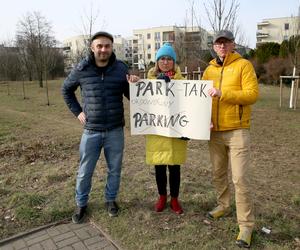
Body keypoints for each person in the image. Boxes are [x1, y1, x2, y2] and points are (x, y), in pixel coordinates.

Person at [62, 31, 139, 223]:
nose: (103, 49)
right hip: (91, 131)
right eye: (99, 46)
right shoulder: (82, 68)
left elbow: (132, 97)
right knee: (85, 170)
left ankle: (110, 200)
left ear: (112, 47)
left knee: (115, 169)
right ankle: (81, 204)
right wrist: (78, 112)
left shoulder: (122, 68)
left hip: (115, 130)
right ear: (92, 48)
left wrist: (134, 84)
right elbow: (66, 90)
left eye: (107, 46)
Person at [202, 30, 259, 248]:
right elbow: (200, 100)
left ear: (233, 44)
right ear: (214, 46)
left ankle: (246, 225)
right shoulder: (208, 69)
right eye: (219, 43)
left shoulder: (244, 65)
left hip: (237, 131)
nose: (222, 46)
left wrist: (223, 93)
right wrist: (201, 120)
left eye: (226, 43)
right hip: (214, 132)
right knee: (218, 173)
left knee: (240, 178)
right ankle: (223, 205)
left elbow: (252, 94)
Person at [146, 43, 188, 215]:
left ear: (174, 62)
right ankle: (162, 196)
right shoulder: (148, 81)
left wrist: (189, 129)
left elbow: (189, 106)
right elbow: (141, 102)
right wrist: (156, 84)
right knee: (159, 166)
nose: (165, 61)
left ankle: (175, 199)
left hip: (177, 130)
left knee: (175, 167)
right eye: (162, 58)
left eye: (169, 58)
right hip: (157, 131)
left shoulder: (182, 82)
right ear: (157, 61)